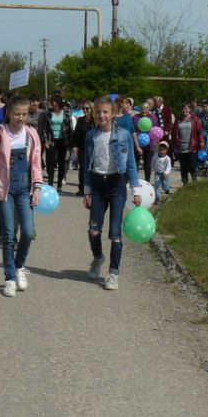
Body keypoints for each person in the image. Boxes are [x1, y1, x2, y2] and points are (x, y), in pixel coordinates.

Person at [0, 95, 43, 298]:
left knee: (28, 232)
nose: (20, 118)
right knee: (9, 234)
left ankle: (19, 266)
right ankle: (9, 278)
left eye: (24, 114)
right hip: (4, 189)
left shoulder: (31, 134)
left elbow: (36, 163)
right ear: (8, 113)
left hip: (24, 188)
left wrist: (37, 187)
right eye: (16, 114)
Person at [82, 95, 142, 291]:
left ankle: (113, 273)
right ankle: (98, 257)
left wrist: (135, 190)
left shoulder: (123, 135)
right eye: (98, 112)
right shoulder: (91, 136)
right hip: (98, 185)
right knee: (93, 230)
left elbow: (131, 163)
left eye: (105, 112)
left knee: (115, 232)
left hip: (117, 184)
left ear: (113, 113)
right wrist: (87, 189)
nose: (102, 115)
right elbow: (86, 165)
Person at [170, 103, 204, 185]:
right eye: (183, 109)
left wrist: (201, 144)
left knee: (192, 166)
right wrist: (175, 144)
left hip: (191, 146)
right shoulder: (178, 120)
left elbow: (199, 132)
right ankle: (185, 183)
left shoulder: (195, 119)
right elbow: (174, 133)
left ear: (189, 110)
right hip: (180, 147)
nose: (184, 110)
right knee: (183, 167)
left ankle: (194, 181)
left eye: (186, 108)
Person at [45, 95, 73, 190]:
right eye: (53, 102)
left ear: (59, 103)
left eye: (55, 102)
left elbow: (70, 129)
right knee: (51, 163)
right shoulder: (48, 114)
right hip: (51, 141)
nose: (53, 104)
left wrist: (70, 144)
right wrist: (45, 141)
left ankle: (59, 185)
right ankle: (50, 183)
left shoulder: (66, 114)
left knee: (61, 162)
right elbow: (45, 128)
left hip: (63, 141)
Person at [72, 101, 95, 195]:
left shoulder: (95, 121)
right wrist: (74, 146)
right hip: (82, 147)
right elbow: (76, 133)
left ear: (91, 109)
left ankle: (93, 188)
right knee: (82, 168)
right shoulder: (80, 120)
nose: (85, 110)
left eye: (87, 108)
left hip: (93, 147)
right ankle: (82, 188)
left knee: (93, 168)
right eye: (84, 109)